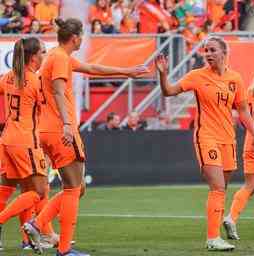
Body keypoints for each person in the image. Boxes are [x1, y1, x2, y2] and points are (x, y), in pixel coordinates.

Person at [23, 17, 148, 256]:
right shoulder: (59, 58)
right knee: (73, 189)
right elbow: (59, 91)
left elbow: (92, 68)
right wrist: (68, 124)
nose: (83, 39)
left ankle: (37, 224)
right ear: (76, 37)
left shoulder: (58, 57)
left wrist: (126, 72)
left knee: (76, 188)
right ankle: (64, 249)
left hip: (49, 129)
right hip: (61, 129)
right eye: (82, 35)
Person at [155, 36, 254, 251]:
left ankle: (216, 233)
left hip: (228, 138)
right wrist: (163, 75)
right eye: (205, 50)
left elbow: (244, 111)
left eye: (212, 50)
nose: (208, 54)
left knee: (223, 188)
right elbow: (169, 91)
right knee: (218, 187)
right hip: (206, 136)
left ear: (223, 52)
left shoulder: (235, 79)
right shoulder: (197, 76)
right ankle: (212, 238)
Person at [0, 37, 48, 254]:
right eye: (43, 52)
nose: (44, 56)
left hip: (7, 139)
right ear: (33, 56)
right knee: (38, 191)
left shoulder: (9, 77)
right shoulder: (36, 81)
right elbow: (48, 110)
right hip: (26, 141)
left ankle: (26, 240)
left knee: (11, 188)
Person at [223, 76, 254, 240]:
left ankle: (231, 217)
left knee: (250, 185)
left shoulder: (249, 92)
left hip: (251, 141)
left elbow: (243, 116)